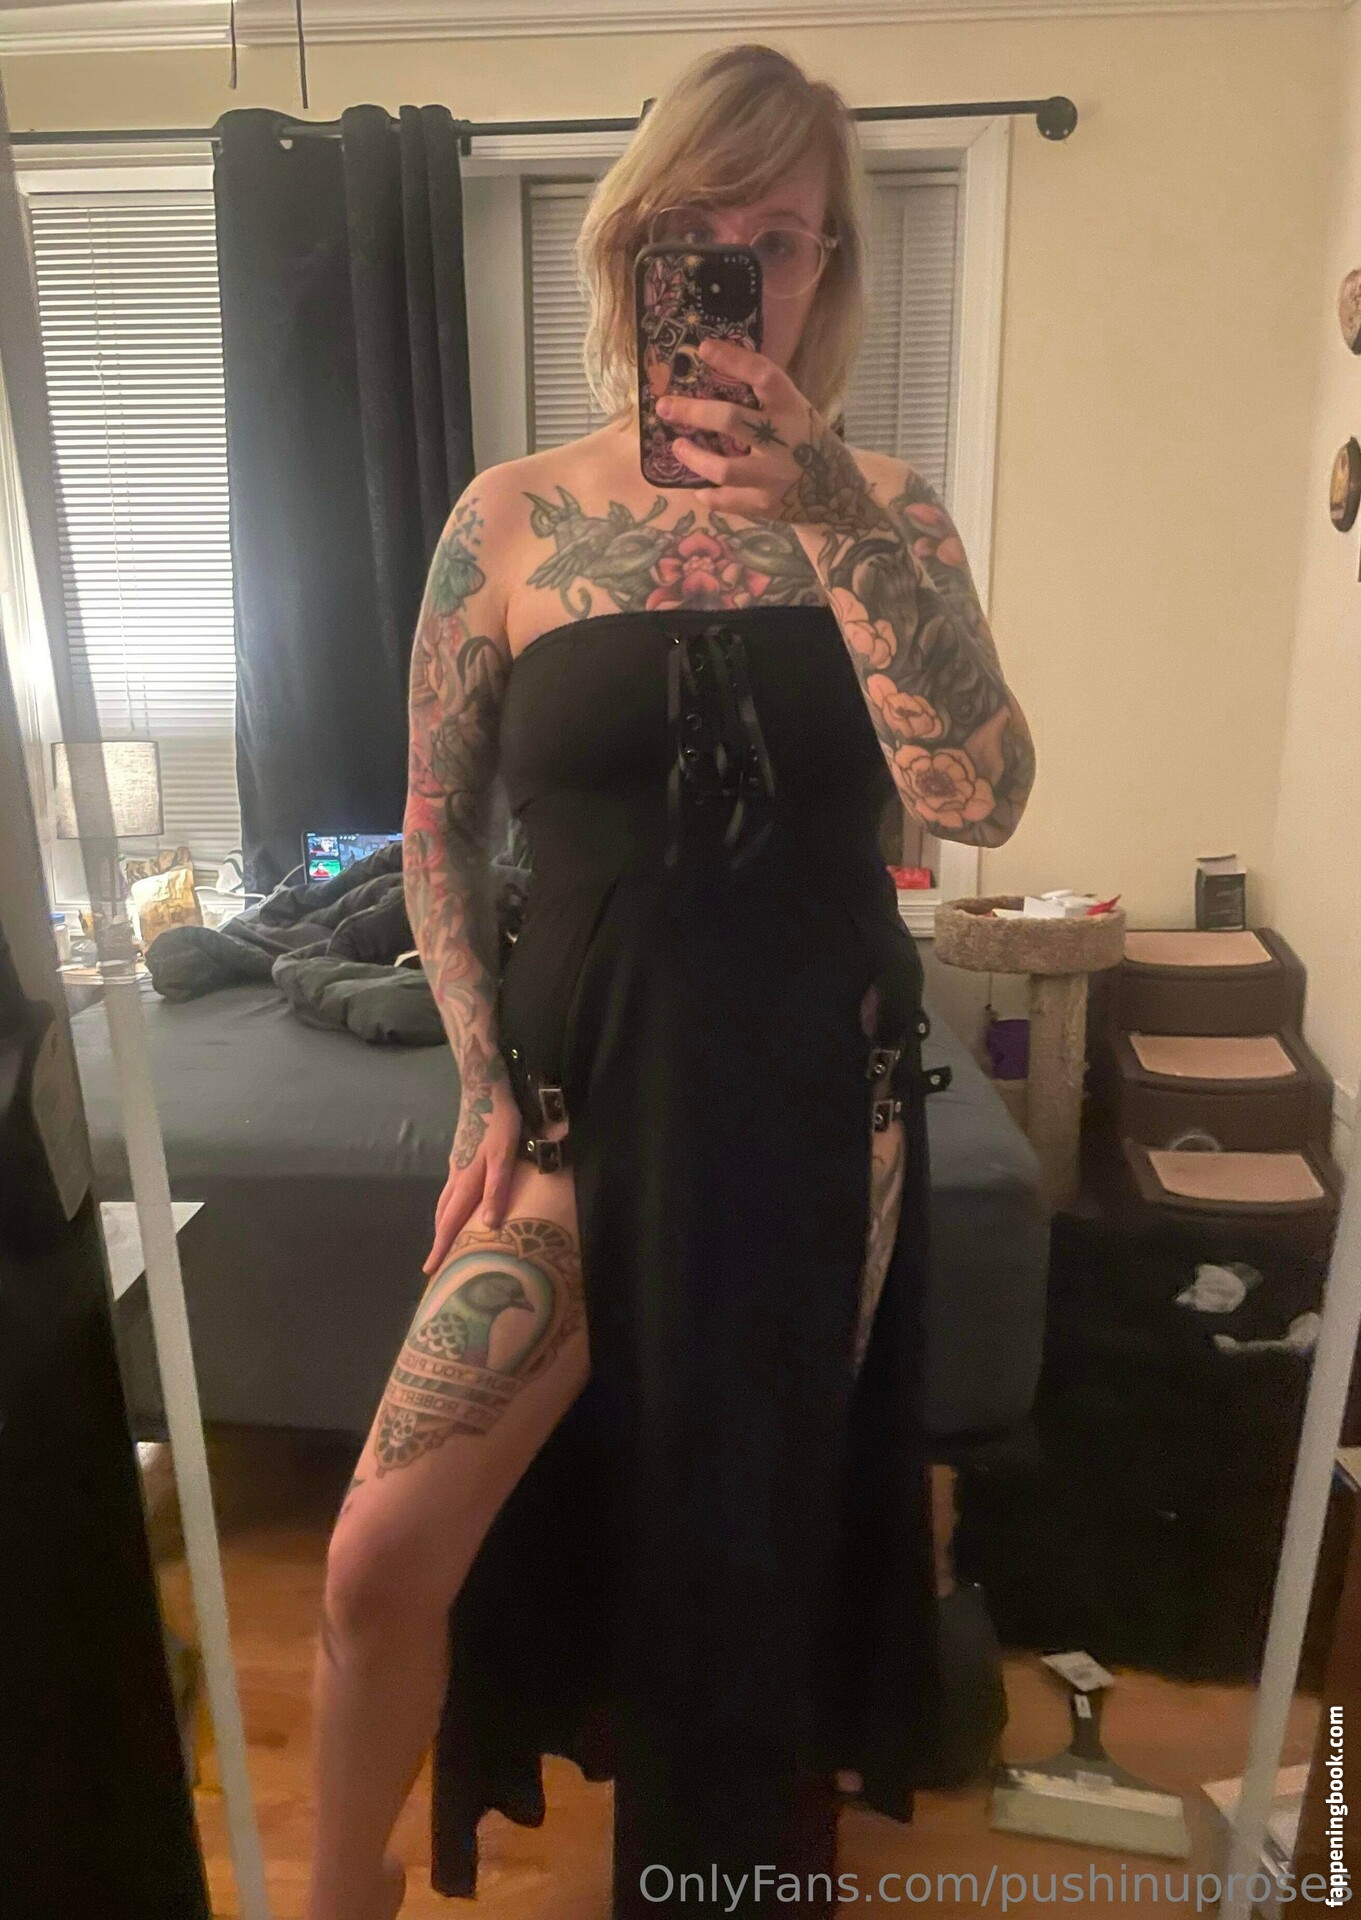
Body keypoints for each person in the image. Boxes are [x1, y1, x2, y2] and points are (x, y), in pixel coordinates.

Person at [304, 42, 1034, 1920]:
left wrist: (835, 517)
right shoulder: (507, 519)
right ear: (629, 246)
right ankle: (333, 1897)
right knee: (379, 1553)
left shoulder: (888, 509)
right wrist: (477, 1080)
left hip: (814, 1108)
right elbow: (435, 823)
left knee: (745, 1561)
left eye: (779, 237)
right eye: (699, 229)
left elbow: (977, 800)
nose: (737, 269)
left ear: (826, 268)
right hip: (567, 1103)